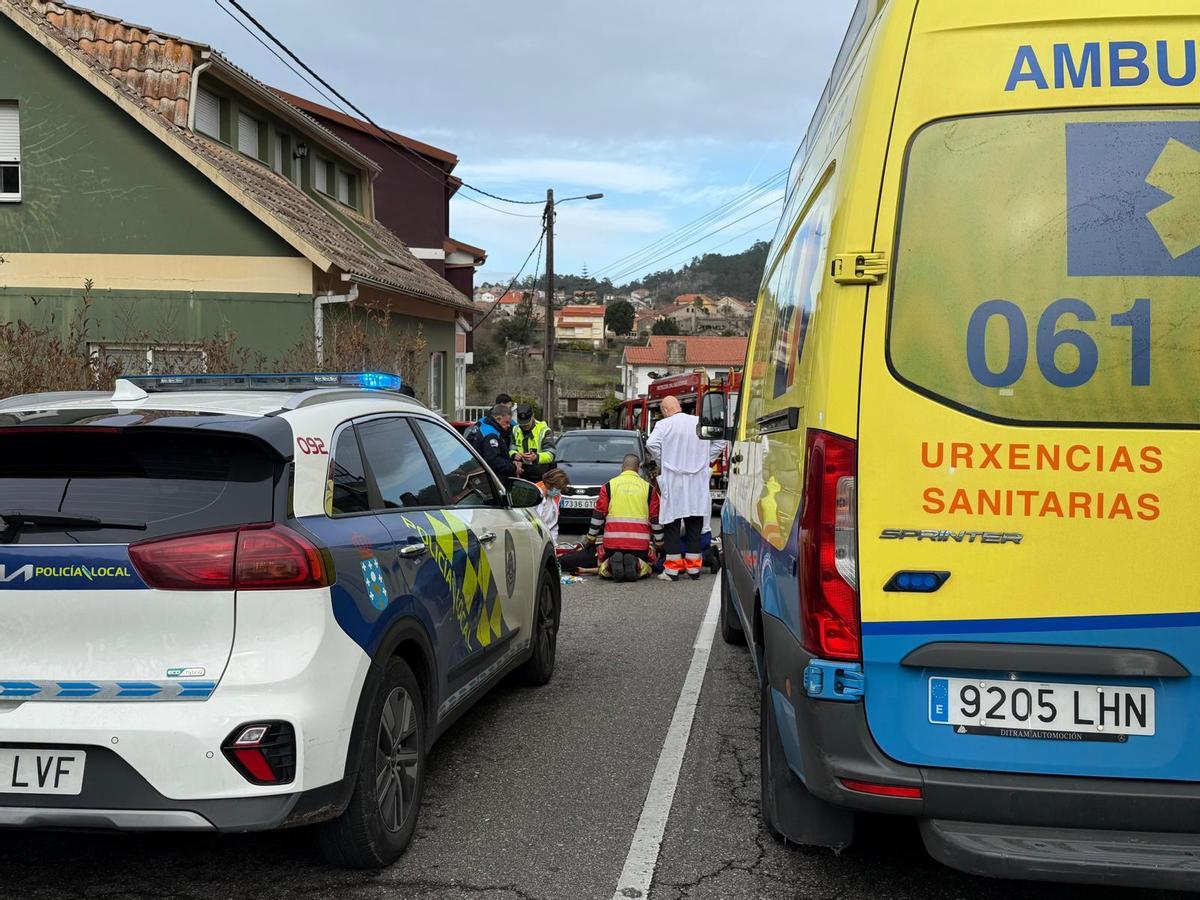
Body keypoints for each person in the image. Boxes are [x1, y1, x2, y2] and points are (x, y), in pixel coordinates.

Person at [646, 395, 726, 581]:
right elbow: (720, 440)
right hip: (697, 480)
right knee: (695, 523)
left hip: (674, 479)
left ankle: (673, 570)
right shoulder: (698, 422)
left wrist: (663, 460)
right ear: (679, 406)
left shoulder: (664, 425)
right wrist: (706, 459)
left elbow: (651, 444)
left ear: (665, 411)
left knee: (672, 524)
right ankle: (693, 568)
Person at [585, 454, 664, 582]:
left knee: (603, 567)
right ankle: (638, 564)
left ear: (622, 467)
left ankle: (609, 564)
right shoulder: (649, 489)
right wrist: (660, 543)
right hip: (639, 545)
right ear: (638, 468)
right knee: (649, 567)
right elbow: (654, 518)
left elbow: (598, 515)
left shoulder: (609, 486)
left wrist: (591, 539)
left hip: (612, 544)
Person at [470, 404, 521, 486]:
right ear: (498, 419)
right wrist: (513, 468)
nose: (508, 426)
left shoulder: (487, 426)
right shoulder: (491, 435)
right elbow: (493, 460)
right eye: (507, 422)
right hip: (491, 480)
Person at [511, 403, 557, 482]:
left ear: (533, 416)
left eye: (527, 424)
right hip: (523, 474)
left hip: (542, 476)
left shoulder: (544, 430)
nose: (525, 427)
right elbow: (512, 448)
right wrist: (515, 455)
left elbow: (551, 454)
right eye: (522, 424)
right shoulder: (515, 429)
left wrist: (536, 457)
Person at [534, 468, 569, 543]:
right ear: (549, 483)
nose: (558, 491)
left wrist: (553, 543)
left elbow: (553, 524)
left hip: (546, 538)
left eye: (560, 488)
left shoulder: (557, 496)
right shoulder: (533, 493)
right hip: (532, 536)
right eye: (557, 487)